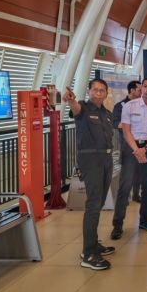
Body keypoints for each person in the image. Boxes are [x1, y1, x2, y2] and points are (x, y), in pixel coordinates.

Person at [62, 79, 115, 271]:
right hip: (91, 161)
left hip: (107, 160)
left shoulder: (107, 114)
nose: (98, 93)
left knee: (98, 203)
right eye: (95, 90)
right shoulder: (83, 108)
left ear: (106, 93)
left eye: (102, 91)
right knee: (93, 205)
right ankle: (88, 253)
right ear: (89, 91)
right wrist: (70, 100)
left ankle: (93, 244)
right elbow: (75, 109)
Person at [111, 77, 147, 239]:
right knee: (124, 188)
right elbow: (126, 131)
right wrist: (137, 150)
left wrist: (145, 149)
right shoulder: (129, 106)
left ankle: (145, 221)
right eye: (145, 87)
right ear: (141, 89)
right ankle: (117, 225)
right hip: (130, 148)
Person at [112, 80, 142, 202]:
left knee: (139, 171)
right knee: (127, 172)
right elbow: (114, 123)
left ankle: (136, 194)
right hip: (127, 144)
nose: (142, 92)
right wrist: (128, 125)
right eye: (139, 90)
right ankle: (124, 197)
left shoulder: (142, 104)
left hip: (141, 142)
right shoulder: (120, 106)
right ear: (132, 90)